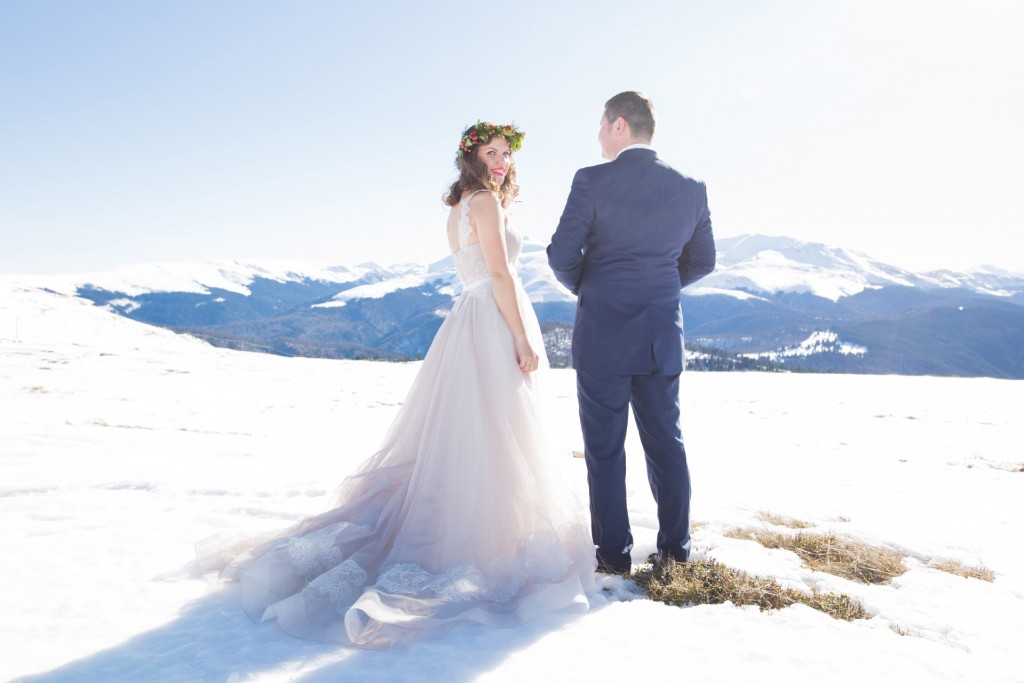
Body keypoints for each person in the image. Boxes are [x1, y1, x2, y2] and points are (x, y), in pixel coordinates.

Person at [199, 122, 594, 648]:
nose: (501, 161)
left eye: (505, 154)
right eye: (491, 152)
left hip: (468, 320)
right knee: (496, 427)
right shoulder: (485, 204)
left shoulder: (458, 208)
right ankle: (485, 531)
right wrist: (523, 337)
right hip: (491, 321)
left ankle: (478, 514)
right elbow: (499, 276)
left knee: (473, 428)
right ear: (471, 157)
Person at [547, 92, 716, 575]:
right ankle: (677, 551)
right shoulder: (691, 187)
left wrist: (597, 286)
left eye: (602, 124)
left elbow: (561, 254)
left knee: (604, 450)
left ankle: (614, 556)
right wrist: (659, 283)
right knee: (668, 444)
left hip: (603, 335)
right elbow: (702, 260)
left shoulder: (592, 180)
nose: (599, 134)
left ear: (619, 125)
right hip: (661, 334)